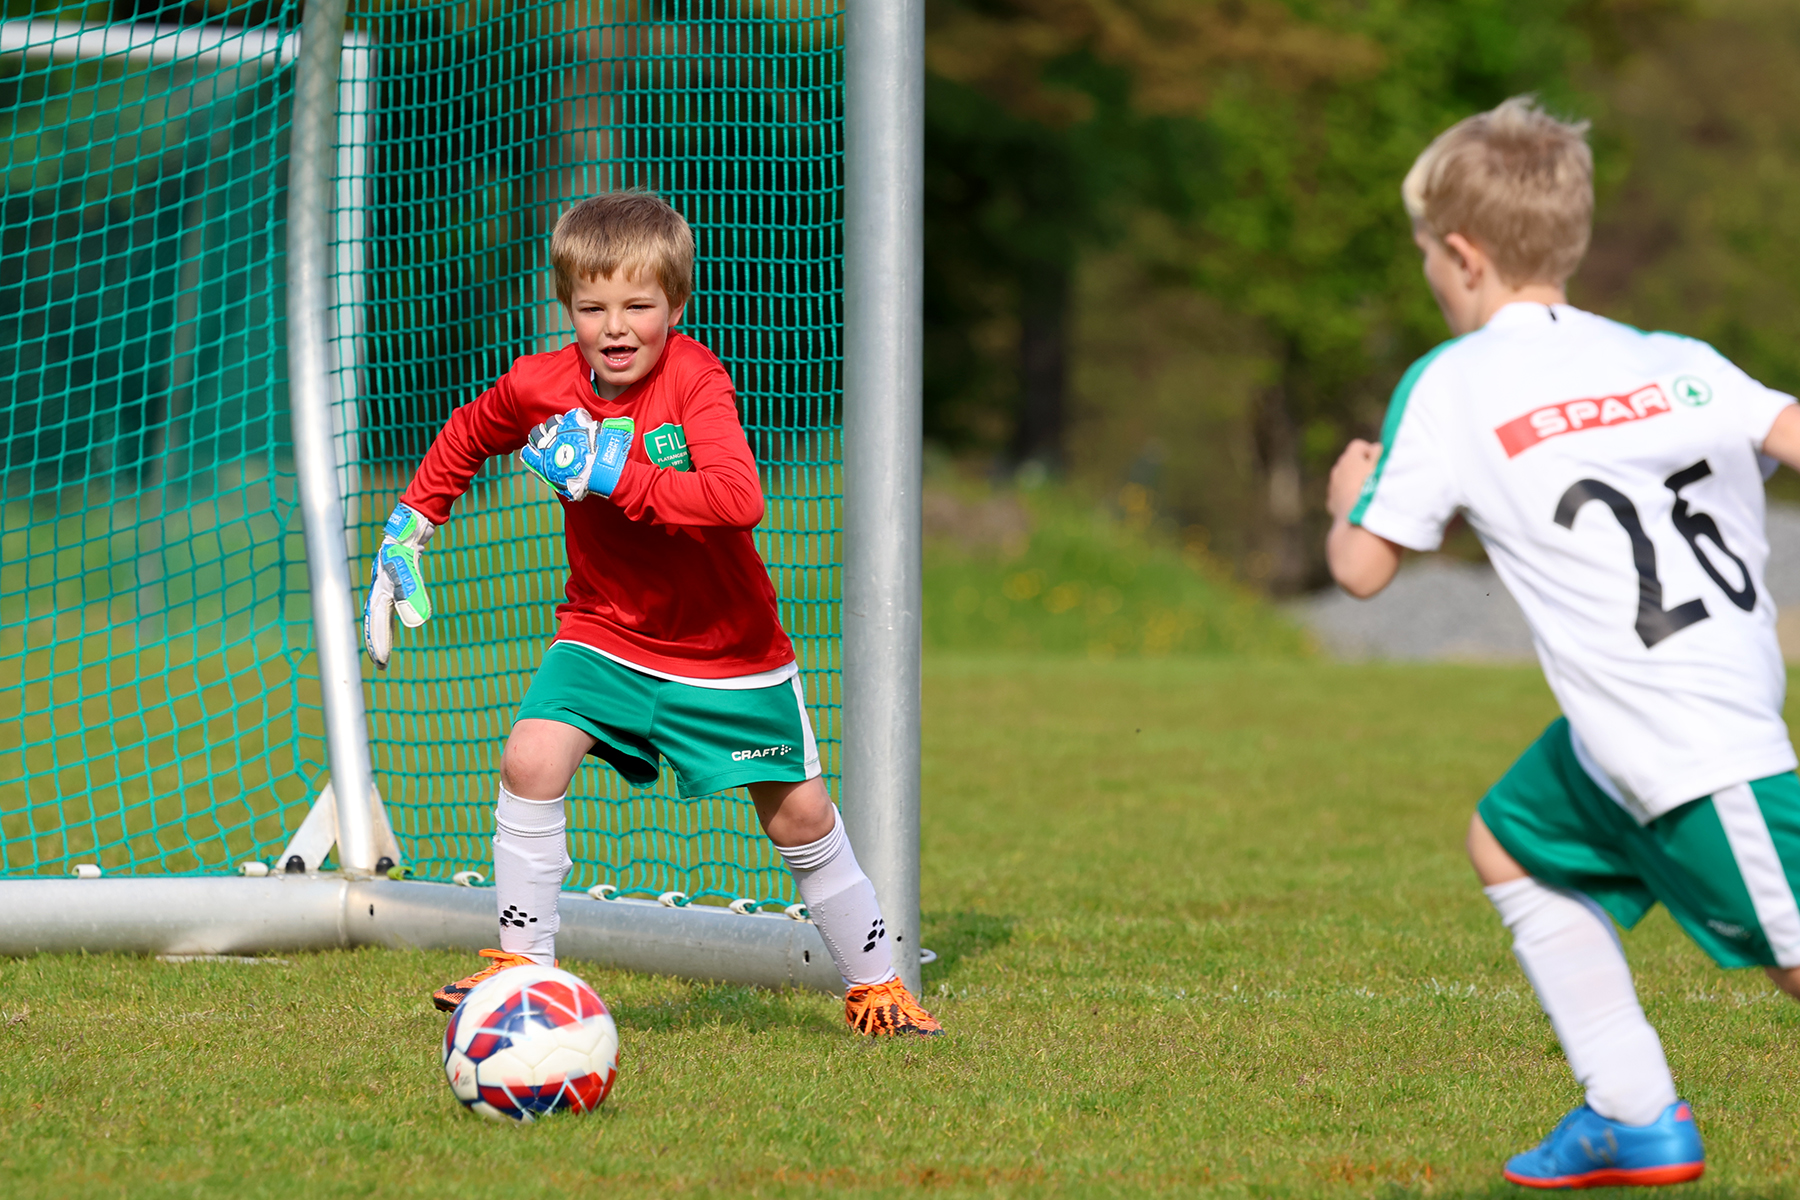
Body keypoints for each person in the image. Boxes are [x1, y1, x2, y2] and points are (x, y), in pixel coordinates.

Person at [1327, 96, 1800, 1188]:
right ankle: (1632, 1112)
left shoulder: (1452, 383)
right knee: (1511, 840)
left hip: (1694, 747)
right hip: (1627, 732)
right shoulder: (1680, 360)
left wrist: (1347, 494)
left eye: (1425, 262)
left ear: (1461, 256)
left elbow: (1358, 570)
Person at [361, 190, 941, 1037]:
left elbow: (737, 498)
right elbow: (470, 431)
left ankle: (878, 986)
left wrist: (615, 472)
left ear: (676, 305)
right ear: (568, 310)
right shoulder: (542, 384)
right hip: (603, 634)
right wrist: (411, 524)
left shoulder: (696, 377)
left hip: (728, 654)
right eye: (593, 308)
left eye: (639, 305)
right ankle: (526, 968)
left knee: (801, 817)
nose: (617, 326)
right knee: (530, 756)